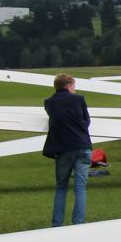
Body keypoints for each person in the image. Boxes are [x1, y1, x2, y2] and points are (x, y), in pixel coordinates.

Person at [43, 73, 91, 227]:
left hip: (63, 149)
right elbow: (86, 121)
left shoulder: (49, 103)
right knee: (80, 188)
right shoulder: (79, 99)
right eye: (74, 86)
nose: (75, 89)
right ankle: (78, 222)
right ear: (68, 86)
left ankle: (57, 223)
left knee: (61, 187)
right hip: (83, 146)